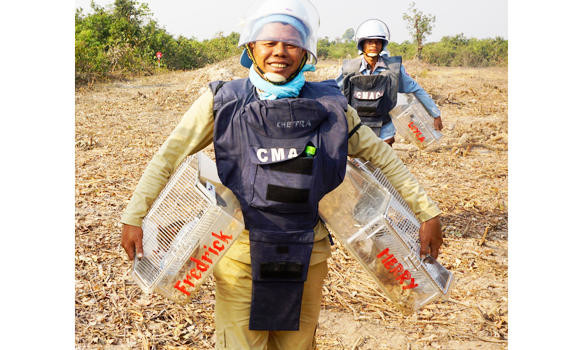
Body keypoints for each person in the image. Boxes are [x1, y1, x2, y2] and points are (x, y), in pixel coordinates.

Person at [120, 1, 444, 349]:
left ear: (306, 52)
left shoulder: (331, 106)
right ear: (251, 49)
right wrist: (134, 214)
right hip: (239, 254)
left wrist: (427, 211)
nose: (279, 51)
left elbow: (382, 157)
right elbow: (170, 155)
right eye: (269, 42)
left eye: (291, 43)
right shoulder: (222, 101)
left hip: (308, 254)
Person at [335, 18, 443, 146]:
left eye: (377, 42)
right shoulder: (350, 69)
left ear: (382, 45)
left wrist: (435, 115)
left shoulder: (393, 70)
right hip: (356, 130)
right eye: (369, 42)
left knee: (384, 164)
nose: (374, 46)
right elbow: (333, 91)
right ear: (362, 44)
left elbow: (416, 90)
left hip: (384, 132)